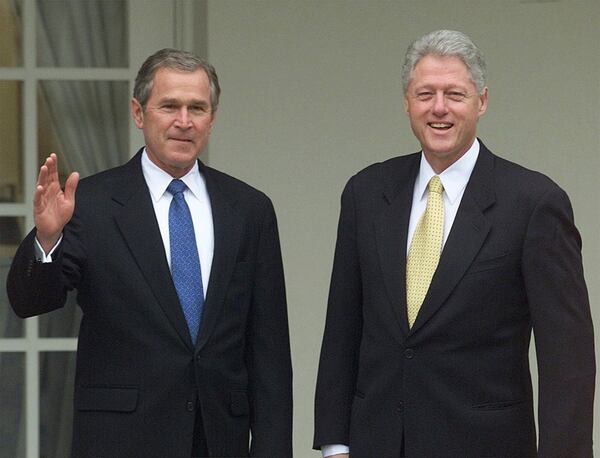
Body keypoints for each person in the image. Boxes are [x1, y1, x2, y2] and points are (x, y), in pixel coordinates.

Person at [313, 30, 594, 457]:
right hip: (379, 444)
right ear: (407, 101)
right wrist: (335, 444)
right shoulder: (366, 193)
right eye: (425, 94)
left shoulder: (533, 203)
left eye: (455, 94)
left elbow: (567, 360)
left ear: (481, 101)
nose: (439, 108)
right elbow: (343, 329)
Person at [7, 48, 293, 457]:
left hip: (217, 440)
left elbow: (269, 351)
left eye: (197, 107)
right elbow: (30, 301)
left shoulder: (248, 209)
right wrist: (47, 238)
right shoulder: (92, 203)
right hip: (120, 440)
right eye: (169, 106)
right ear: (139, 114)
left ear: (211, 119)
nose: (184, 121)